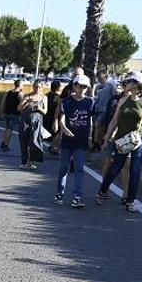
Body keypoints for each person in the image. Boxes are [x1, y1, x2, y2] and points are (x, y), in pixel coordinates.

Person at [96, 71, 142, 213]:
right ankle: (102, 191)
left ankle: (130, 200)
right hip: (121, 139)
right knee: (115, 168)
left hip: (138, 141)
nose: (126, 83)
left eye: (130, 81)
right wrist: (107, 138)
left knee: (135, 171)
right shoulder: (123, 100)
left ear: (137, 84)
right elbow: (114, 120)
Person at [53, 73, 95, 208]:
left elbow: (91, 121)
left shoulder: (90, 102)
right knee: (64, 168)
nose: (82, 89)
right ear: (74, 86)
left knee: (79, 169)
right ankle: (59, 193)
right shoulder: (67, 102)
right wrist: (64, 129)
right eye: (80, 86)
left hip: (81, 141)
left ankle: (77, 197)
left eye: (85, 87)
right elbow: (62, 119)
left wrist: (90, 137)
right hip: (67, 141)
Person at [17, 80, 48, 169]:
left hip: (36, 122)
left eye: (39, 87)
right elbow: (19, 108)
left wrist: (39, 108)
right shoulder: (27, 96)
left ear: (42, 88)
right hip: (25, 121)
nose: (37, 89)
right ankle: (23, 161)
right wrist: (25, 102)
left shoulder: (44, 97)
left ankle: (31, 162)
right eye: (35, 87)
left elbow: (45, 111)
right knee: (24, 141)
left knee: (34, 141)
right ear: (32, 87)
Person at [91, 71, 115, 149]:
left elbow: (114, 97)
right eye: (99, 77)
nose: (100, 79)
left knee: (98, 124)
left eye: (101, 77)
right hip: (97, 109)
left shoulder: (110, 86)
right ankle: (96, 143)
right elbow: (95, 97)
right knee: (97, 126)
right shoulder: (98, 86)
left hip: (105, 109)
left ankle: (97, 143)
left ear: (106, 77)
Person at [0, 79, 22, 152]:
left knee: (7, 128)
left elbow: (3, 103)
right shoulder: (20, 94)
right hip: (15, 114)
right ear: (20, 85)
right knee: (10, 129)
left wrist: (1, 112)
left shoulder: (8, 93)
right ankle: (6, 144)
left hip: (7, 113)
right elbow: (22, 105)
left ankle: (3, 142)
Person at [45, 79, 63, 154]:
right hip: (55, 117)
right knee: (56, 133)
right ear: (58, 88)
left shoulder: (46, 95)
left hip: (46, 116)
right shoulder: (59, 98)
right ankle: (53, 147)